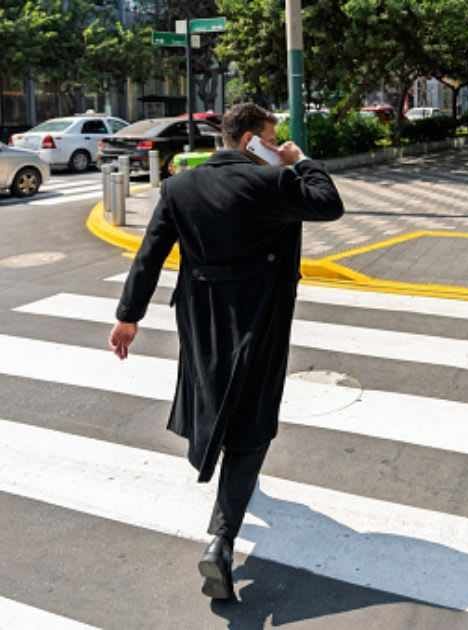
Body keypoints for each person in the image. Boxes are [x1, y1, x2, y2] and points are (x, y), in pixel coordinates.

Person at [107, 103, 344, 601]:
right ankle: (222, 538)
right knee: (252, 418)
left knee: (213, 392)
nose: (276, 146)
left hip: (198, 313)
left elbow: (149, 253)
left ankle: (214, 465)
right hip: (259, 315)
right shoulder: (272, 182)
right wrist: (298, 161)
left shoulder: (178, 187)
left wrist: (128, 316)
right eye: (271, 138)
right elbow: (328, 203)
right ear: (250, 139)